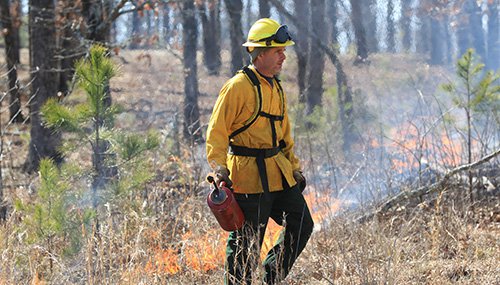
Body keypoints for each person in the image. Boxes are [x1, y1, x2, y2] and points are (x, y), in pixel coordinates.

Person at [206, 18, 314, 285]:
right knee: (246, 244)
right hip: (247, 178)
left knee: (301, 224)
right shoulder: (237, 87)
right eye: (278, 51)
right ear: (260, 53)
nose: (283, 56)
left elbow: (284, 136)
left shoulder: (276, 86)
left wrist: (294, 168)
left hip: (279, 174)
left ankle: (272, 277)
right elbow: (216, 131)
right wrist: (219, 169)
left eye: (284, 51)